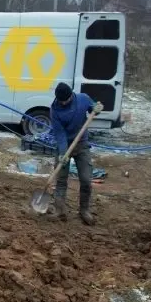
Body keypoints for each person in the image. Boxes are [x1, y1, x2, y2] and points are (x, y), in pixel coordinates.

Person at [49, 82, 98, 225]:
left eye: (66, 100)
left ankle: (84, 210)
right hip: (64, 145)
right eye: (61, 101)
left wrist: (96, 108)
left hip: (81, 144)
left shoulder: (83, 99)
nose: (63, 103)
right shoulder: (54, 110)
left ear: (71, 95)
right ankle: (59, 210)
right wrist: (63, 153)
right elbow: (60, 134)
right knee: (61, 179)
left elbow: (93, 107)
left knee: (86, 180)